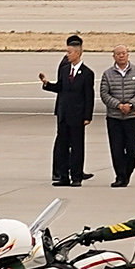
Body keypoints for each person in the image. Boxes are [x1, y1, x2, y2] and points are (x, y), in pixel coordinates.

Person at [38, 36, 95, 186]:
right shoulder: (64, 70)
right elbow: (60, 88)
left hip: (77, 115)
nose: (67, 55)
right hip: (63, 115)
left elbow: (89, 96)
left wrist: (87, 116)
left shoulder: (87, 73)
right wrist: (47, 84)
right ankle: (63, 176)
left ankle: (76, 177)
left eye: (69, 52)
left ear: (78, 53)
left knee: (77, 147)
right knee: (62, 147)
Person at [99, 44, 135, 190]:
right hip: (114, 117)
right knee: (117, 148)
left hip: (132, 117)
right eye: (118, 53)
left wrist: (131, 105)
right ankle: (120, 176)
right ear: (113, 56)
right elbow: (104, 94)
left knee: (132, 149)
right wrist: (119, 105)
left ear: (128, 55)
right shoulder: (108, 74)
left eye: (124, 53)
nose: (121, 56)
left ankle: (127, 172)